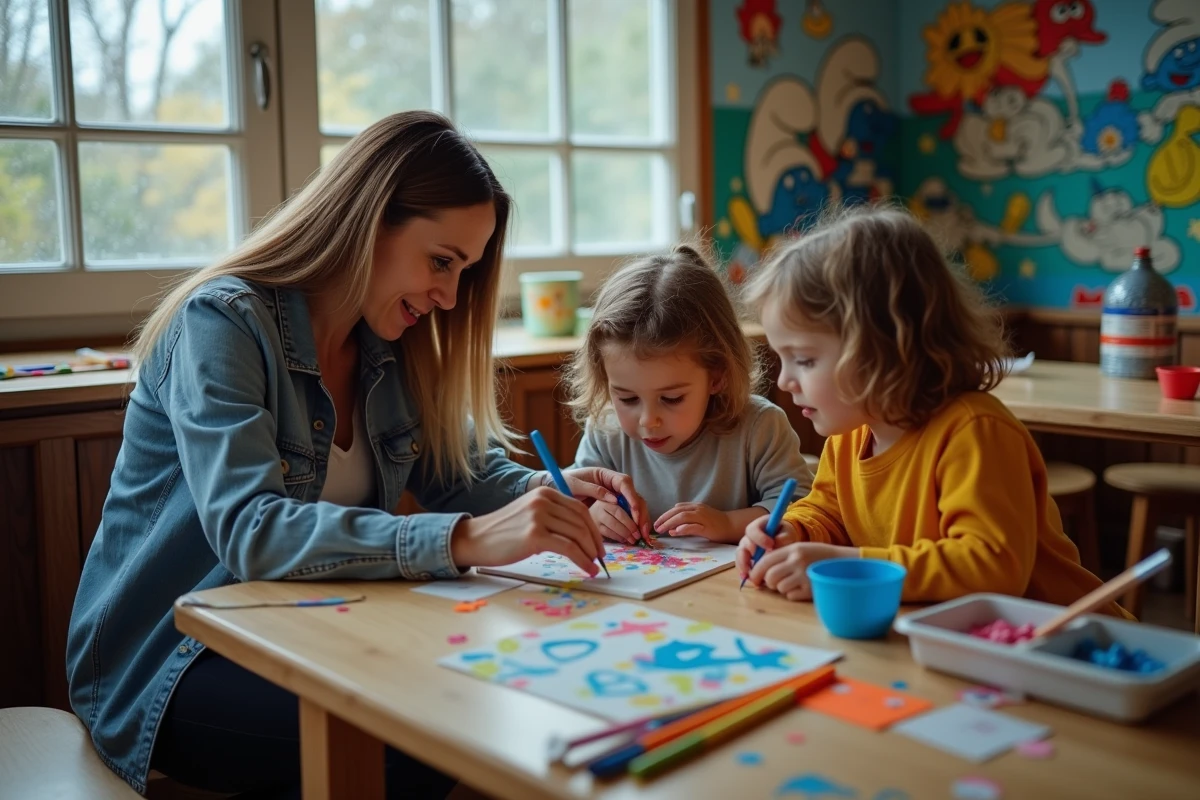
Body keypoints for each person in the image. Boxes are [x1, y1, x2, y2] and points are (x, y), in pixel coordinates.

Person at [66, 111, 647, 799]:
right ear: (369, 220)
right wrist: (465, 539)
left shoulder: (390, 345)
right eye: (441, 262)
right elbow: (251, 528)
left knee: (463, 703)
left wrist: (553, 493)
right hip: (166, 662)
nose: (450, 296)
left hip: (307, 628)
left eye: (463, 270)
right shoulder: (221, 324)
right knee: (420, 733)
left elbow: (463, 474)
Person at [736, 203, 1130, 618]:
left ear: (883, 348)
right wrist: (792, 529)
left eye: (805, 360)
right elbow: (827, 509)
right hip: (960, 641)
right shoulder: (850, 436)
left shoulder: (975, 431)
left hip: (1069, 649)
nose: (784, 381)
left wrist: (846, 566)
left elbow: (991, 567)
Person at [566, 244, 811, 545]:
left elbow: (802, 510)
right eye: (627, 399)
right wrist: (591, 515)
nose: (648, 420)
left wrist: (727, 523)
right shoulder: (605, 430)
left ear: (717, 375)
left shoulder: (760, 427)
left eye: (671, 399)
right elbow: (571, 498)